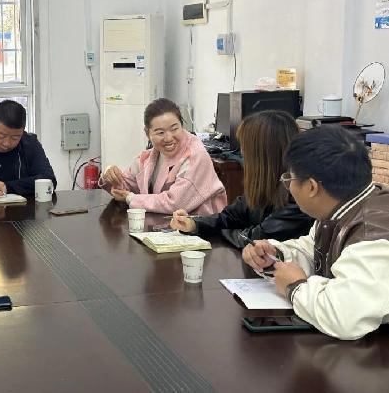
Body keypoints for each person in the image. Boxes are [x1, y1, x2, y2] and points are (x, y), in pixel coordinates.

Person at [242, 126, 389, 340]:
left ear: (311, 187)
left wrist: (295, 287)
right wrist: (276, 255)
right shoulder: (343, 206)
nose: (288, 186)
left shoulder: (373, 232)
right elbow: (314, 250)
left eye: (289, 179)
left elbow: (344, 317)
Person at [170, 110, 313, 248]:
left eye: (245, 146)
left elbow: (256, 238)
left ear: (263, 153)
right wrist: (194, 224)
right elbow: (229, 217)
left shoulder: (298, 197)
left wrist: (220, 232)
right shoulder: (264, 185)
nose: (242, 152)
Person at [99, 98, 227, 215]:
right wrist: (110, 176)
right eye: (160, 132)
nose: (168, 138)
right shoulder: (150, 157)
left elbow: (175, 203)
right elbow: (124, 187)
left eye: (174, 129)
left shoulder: (195, 156)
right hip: (166, 225)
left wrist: (131, 198)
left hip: (201, 229)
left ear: (182, 126)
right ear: (147, 133)